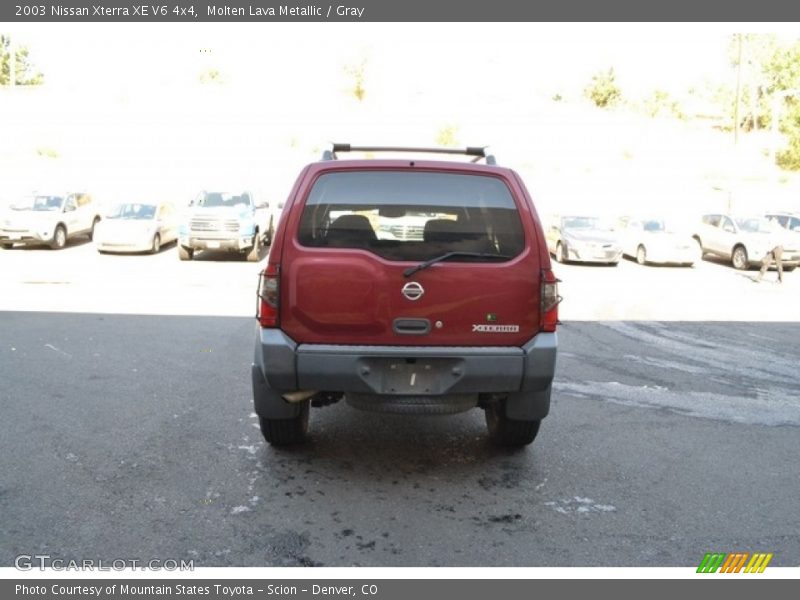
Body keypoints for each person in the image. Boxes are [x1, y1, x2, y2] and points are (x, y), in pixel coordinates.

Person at [756, 218, 784, 283]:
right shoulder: (773, 229)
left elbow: (775, 241)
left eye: (772, 222)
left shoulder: (778, 229)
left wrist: (768, 249)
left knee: (778, 264)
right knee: (766, 263)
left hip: (778, 248)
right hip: (773, 248)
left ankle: (780, 278)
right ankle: (759, 277)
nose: (771, 223)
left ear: (775, 222)